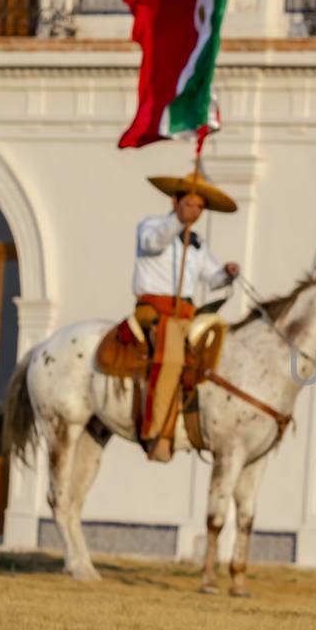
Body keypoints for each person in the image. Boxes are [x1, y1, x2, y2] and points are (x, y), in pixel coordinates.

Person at [133, 169, 240, 461]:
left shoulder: (198, 244)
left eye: (199, 207)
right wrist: (177, 222)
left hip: (186, 313)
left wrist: (227, 274)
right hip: (156, 310)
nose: (195, 211)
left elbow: (211, 278)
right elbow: (153, 243)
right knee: (170, 359)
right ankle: (157, 432)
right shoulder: (151, 226)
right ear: (175, 203)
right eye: (190, 204)